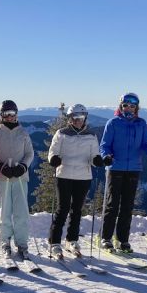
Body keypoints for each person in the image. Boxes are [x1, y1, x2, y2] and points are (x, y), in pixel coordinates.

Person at [99, 92, 147, 253]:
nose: (129, 108)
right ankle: (106, 237)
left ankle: (123, 239)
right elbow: (104, 145)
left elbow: (146, 143)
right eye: (125, 105)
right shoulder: (113, 123)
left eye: (132, 106)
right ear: (121, 106)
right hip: (115, 167)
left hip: (134, 169)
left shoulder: (141, 123)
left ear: (137, 108)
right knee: (112, 204)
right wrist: (106, 156)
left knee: (127, 206)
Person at [47, 104, 103, 259]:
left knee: (77, 210)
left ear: (85, 118)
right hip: (64, 174)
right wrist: (53, 159)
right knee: (63, 208)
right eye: (74, 117)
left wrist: (96, 160)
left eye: (81, 117)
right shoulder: (62, 133)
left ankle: (71, 240)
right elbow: (53, 151)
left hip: (83, 177)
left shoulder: (91, 135)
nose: (78, 120)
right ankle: (54, 242)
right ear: (70, 119)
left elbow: (94, 154)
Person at [0, 99, 35, 260]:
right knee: (5, 211)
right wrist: (0, 167)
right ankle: (5, 242)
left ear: (16, 114)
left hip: (20, 177)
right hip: (2, 177)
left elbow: (30, 153)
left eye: (12, 114)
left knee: (21, 212)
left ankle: (22, 244)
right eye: (6, 114)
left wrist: (23, 166)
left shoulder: (23, 133)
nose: (9, 117)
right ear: (1, 115)